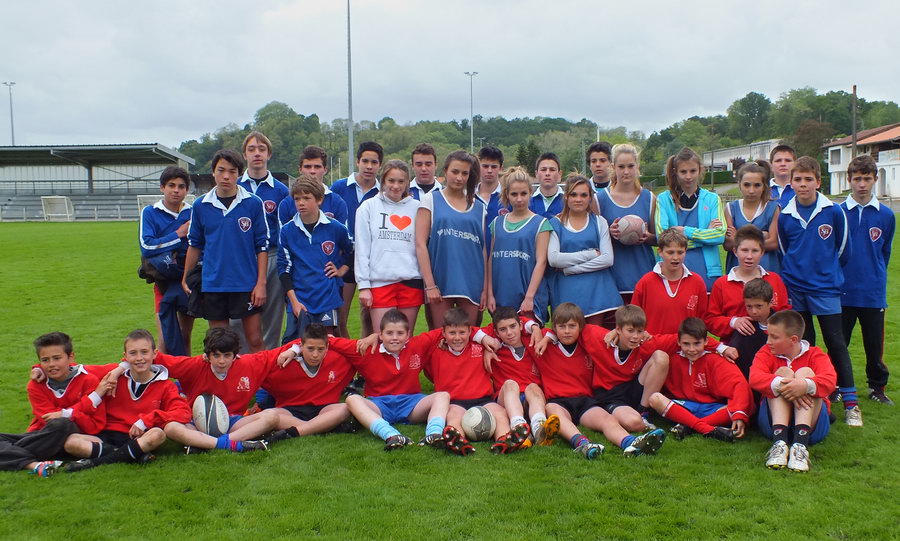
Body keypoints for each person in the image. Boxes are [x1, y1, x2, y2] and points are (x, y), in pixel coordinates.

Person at [778, 156, 859, 426]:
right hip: (796, 289)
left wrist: (825, 272)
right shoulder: (785, 213)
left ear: (818, 181)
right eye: (798, 180)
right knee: (805, 345)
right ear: (791, 182)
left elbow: (843, 250)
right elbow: (784, 250)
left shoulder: (834, 212)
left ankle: (851, 403)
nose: (803, 185)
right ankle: (819, 397)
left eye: (808, 179)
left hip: (825, 288)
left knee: (836, 343)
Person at [533, 303, 667, 459]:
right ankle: (582, 443)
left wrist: (616, 333)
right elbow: (520, 327)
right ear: (554, 328)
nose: (567, 331)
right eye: (562, 327)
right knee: (555, 414)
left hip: (586, 401)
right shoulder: (544, 343)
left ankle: (631, 443)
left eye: (572, 326)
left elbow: (608, 335)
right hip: (558, 401)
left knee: (607, 419)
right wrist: (542, 332)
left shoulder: (587, 343)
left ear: (580, 328)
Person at [319, 309, 457, 453]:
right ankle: (392, 436)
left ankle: (433, 434)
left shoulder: (418, 345)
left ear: (408, 334)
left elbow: (453, 329)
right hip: (379, 405)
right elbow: (322, 339)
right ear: (380, 334)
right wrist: (294, 349)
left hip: (411, 404)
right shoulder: (364, 349)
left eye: (400, 333)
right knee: (352, 399)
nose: (395, 338)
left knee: (443, 396)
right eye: (389, 333)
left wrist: (482, 338)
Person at [65, 330, 191, 472]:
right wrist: (40, 369)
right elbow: (72, 369)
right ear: (125, 357)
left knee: (158, 434)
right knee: (71, 442)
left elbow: (183, 412)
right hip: (106, 435)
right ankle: (132, 455)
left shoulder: (165, 385)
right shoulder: (112, 373)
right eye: (133, 353)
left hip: (138, 437)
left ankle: (94, 462)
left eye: (144, 352)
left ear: (154, 354)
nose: (139, 358)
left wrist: (147, 420)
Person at [140, 327, 282, 453]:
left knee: (271, 416)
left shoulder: (249, 363)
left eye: (227, 355)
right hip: (195, 423)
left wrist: (294, 350)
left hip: (233, 422)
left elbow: (290, 347)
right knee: (171, 428)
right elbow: (153, 358)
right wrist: (119, 370)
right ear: (207, 355)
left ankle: (203, 444)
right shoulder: (194, 365)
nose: (221, 361)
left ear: (235, 355)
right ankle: (234, 445)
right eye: (216, 355)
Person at [182, 149, 269, 353]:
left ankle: (264, 384)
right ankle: (224, 385)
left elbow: (262, 246)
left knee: (255, 340)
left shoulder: (253, 203)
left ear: (239, 174)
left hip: (246, 282)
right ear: (213, 172)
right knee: (219, 343)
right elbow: (195, 244)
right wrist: (186, 277)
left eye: (232, 171)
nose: (226, 176)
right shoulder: (201, 205)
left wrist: (261, 283)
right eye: (221, 170)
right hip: (214, 283)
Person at [426, 308, 528, 454]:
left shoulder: (480, 346)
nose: (457, 338)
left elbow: (497, 331)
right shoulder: (436, 350)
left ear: (470, 332)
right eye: (452, 333)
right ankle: (458, 441)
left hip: (484, 400)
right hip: (455, 402)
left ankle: (505, 440)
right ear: (443, 333)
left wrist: (486, 345)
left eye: (462, 333)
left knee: (500, 414)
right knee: (453, 417)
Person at [750, 310, 837, 472]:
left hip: (813, 428)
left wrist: (804, 386)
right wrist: (787, 386)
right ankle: (779, 444)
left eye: (774, 337)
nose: (768, 341)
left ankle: (800, 446)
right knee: (783, 373)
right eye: (768, 335)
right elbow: (754, 377)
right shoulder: (765, 352)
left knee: (805, 373)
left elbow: (830, 380)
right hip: (772, 423)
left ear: (794, 339)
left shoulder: (815, 354)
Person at [840, 155, 895, 405]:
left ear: (875, 180)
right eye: (857, 179)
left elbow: (884, 252)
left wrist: (875, 275)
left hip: (872, 292)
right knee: (839, 344)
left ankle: (877, 388)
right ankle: (837, 385)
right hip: (842, 290)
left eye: (867, 179)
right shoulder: (837, 212)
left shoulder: (886, 215)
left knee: (874, 346)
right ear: (849, 180)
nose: (862, 184)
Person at [647, 318, 753, 442]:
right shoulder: (672, 356)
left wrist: (739, 414)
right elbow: (645, 345)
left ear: (706, 341)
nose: (692, 349)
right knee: (655, 398)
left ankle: (687, 426)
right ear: (679, 342)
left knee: (734, 409)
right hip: (683, 406)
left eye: (697, 343)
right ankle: (707, 429)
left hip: (711, 408)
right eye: (686, 344)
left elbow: (739, 386)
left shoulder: (717, 360)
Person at [416, 150, 486, 328]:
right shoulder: (430, 200)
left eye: (465, 173)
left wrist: (484, 288)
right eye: (455, 172)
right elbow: (420, 244)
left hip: (471, 282)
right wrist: (430, 284)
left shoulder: (479, 207)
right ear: (445, 171)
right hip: (441, 281)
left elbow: (483, 249)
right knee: (440, 337)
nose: (459, 177)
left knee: (469, 338)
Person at [355, 160, 424, 334]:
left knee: (405, 340)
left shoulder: (417, 208)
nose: (395, 186)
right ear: (383, 181)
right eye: (391, 181)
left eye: (401, 181)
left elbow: (422, 245)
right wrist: (364, 286)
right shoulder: (368, 207)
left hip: (410, 282)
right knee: (382, 340)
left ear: (408, 182)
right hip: (380, 283)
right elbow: (362, 249)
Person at [473, 306, 559, 446]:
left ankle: (540, 429)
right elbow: (471, 331)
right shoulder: (495, 347)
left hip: (531, 398)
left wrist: (535, 328)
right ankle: (518, 428)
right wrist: (485, 340)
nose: (509, 333)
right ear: (496, 332)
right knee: (510, 384)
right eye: (503, 329)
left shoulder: (533, 340)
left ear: (520, 325)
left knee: (533, 387)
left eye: (513, 326)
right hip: (506, 399)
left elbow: (555, 333)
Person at [279, 176, 352, 340]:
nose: (301, 203)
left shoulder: (335, 228)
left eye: (306, 198)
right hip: (299, 300)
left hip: (327, 298)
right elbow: (284, 269)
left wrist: (341, 270)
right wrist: (294, 302)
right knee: (293, 345)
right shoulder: (287, 231)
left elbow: (351, 250)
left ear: (319, 199)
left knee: (327, 343)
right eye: (297, 199)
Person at [237, 132, 290, 350]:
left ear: (269, 154)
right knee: (237, 316)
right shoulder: (236, 187)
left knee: (271, 316)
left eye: (261, 149)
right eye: (251, 149)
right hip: (241, 259)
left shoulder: (281, 190)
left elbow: (285, 228)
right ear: (244, 154)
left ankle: (267, 369)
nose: (257, 153)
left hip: (271, 256)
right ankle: (239, 367)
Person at [547, 174, 622, 326]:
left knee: (594, 338)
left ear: (590, 198)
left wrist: (570, 270)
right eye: (573, 194)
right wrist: (591, 254)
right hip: (566, 290)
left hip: (597, 291)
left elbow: (608, 259)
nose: (578, 199)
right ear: (566, 197)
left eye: (583, 195)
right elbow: (554, 259)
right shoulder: (555, 223)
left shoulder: (599, 222)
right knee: (568, 338)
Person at [263, 323, 356, 442]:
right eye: (310, 349)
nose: (315, 355)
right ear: (301, 346)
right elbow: (255, 367)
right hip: (290, 411)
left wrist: (374, 337)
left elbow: (361, 349)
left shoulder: (339, 358)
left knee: (345, 408)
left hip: (324, 410)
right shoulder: (284, 360)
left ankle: (294, 432)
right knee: (268, 415)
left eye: (321, 349)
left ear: (327, 347)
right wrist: (293, 349)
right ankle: (323, 427)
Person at [139, 166, 194, 355]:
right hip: (162, 283)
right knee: (164, 342)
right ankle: (163, 384)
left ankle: (185, 383)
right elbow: (146, 247)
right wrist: (179, 235)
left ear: (187, 190)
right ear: (162, 187)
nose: (176, 190)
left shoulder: (193, 212)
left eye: (181, 186)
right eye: (171, 185)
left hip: (187, 281)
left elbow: (197, 246)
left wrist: (165, 245)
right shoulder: (150, 212)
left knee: (185, 336)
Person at [331, 141, 383, 339]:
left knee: (369, 317)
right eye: (365, 161)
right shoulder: (338, 188)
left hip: (371, 261)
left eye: (374, 162)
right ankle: (346, 362)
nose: (369, 166)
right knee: (339, 319)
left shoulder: (382, 193)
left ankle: (366, 364)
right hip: (344, 259)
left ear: (379, 165)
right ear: (357, 161)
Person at [486, 166, 551, 323]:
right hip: (501, 296)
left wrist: (529, 298)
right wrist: (489, 294)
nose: (519, 199)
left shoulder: (541, 223)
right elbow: (490, 260)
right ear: (507, 195)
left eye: (523, 193)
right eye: (514, 194)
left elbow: (541, 262)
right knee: (503, 343)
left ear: (530, 193)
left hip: (527, 299)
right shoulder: (497, 223)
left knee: (529, 343)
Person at [655, 147, 726, 290]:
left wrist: (685, 231)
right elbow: (662, 237)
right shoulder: (663, 199)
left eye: (692, 171)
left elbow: (719, 235)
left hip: (707, 272)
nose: (688, 176)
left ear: (700, 170)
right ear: (675, 172)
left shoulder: (712, 199)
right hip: (671, 272)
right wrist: (705, 236)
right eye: (683, 171)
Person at [706, 225, 790, 343]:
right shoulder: (722, 284)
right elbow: (711, 320)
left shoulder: (774, 279)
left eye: (755, 251)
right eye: (744, 250)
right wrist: (733, 322)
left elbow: (786, 313)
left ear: (762, 252)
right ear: (735, 251)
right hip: (735, 349)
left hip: (771, 348)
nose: (749, 256)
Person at [598, 143, 656, 311]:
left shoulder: (649, 198)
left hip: (643, 275)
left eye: (630, 166)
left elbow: (657, 239)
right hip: (612, 278)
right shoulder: (600, 199)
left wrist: (647, 237)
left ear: (637, 167)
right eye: (621, 166)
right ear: (613, 167)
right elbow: (593, 240)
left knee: (642, 332)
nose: (626, 171)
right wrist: (609, 233)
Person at [632, 228, 708, 334]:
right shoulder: (646, 282)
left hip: (686, 348)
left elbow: (702, 319)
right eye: (670, 252)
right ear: (660, 252)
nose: (675, 257)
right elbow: (633, 319)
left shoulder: (697, 282)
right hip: (654, 347)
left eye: (680, 252)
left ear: (685, 252)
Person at [723, 162, 780, 273]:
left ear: (764, 186)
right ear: (739, 184)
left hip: (766, 268)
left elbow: (773, 243)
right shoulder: (731, 208)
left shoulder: (773, 208)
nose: (751, 190)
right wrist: (762, 235)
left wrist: (739, 236)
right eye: (747, 185)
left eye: (757, 185)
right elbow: (728, 244)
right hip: (738, 268)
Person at [278, 145, 349, 227]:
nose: (312, 171)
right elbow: (285, 237)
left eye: (317, 167)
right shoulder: (287, 204)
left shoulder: (337, 202)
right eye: (307, 167)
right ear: (300, 169)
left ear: (325, 170)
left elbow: (342, 237)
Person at [728, 278, 776, 382]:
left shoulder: (782, 325)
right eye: (749, 306)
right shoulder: (744, 328)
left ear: (771, 302)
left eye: (759, 306)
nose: (753, 311)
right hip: (748, 380)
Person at [476, 145, 506, 235]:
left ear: (501, 168)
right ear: (478, 166)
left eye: (494, 167)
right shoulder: (468, 196)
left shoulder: (509, 197)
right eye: (485, 166)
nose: (489, 170)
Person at [529, 152, 565, 218]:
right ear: (536, 174)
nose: (547, 173)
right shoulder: (527, 203)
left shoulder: (568, 201)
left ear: (560, 174)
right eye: (543, 170)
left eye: (552, 170)